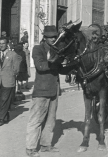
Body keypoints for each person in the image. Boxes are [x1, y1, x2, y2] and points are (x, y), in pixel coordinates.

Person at [26, 26, 63, 157]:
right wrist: (54, 61)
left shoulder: (56, 49)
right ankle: (30, 149)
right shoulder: (38, 49)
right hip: (41, 90)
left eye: (55, 36)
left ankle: (46, 145)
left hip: (54, 89)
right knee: (36, 120)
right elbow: (40, 66)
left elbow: (61, 68)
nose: (53, 39)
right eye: (51, 37)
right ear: (45, 37)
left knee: (51, 120)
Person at [0, 37, 22, 125]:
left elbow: (16, 69)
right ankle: (5, 114)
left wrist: (11, 74)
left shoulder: (13, 54)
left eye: (3, 43)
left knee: (4, 99)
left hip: (8, 80)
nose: (1, 45)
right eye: (0, 44)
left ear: (7, 44)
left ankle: (1, 118)